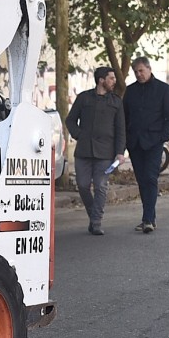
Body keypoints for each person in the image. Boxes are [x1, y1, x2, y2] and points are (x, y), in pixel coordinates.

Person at [65, 66, 124, 235]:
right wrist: (79, 135)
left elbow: (121, 130)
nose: (114, 81)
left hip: (106, 153)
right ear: (101, 80)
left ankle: (96, 221)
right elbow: (70, 120)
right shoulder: (84, 98)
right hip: (83, 151)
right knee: (83, 186)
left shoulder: (116, 102)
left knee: (100, 186)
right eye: (111, 78)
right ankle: (93, 215)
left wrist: (120, 152)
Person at [122, 56, 169, 234]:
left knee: (150, 178)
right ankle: (148, 217)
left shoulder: (164, 90)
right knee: (141, 179)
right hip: (135, 143)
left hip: (154, 142)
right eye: (136, 72)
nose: (139, 74)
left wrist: (163, 137)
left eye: (141, 71)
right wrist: (126, 140)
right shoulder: (130, 91)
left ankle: (148, 219)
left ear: (149, 69)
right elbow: (124, 117)